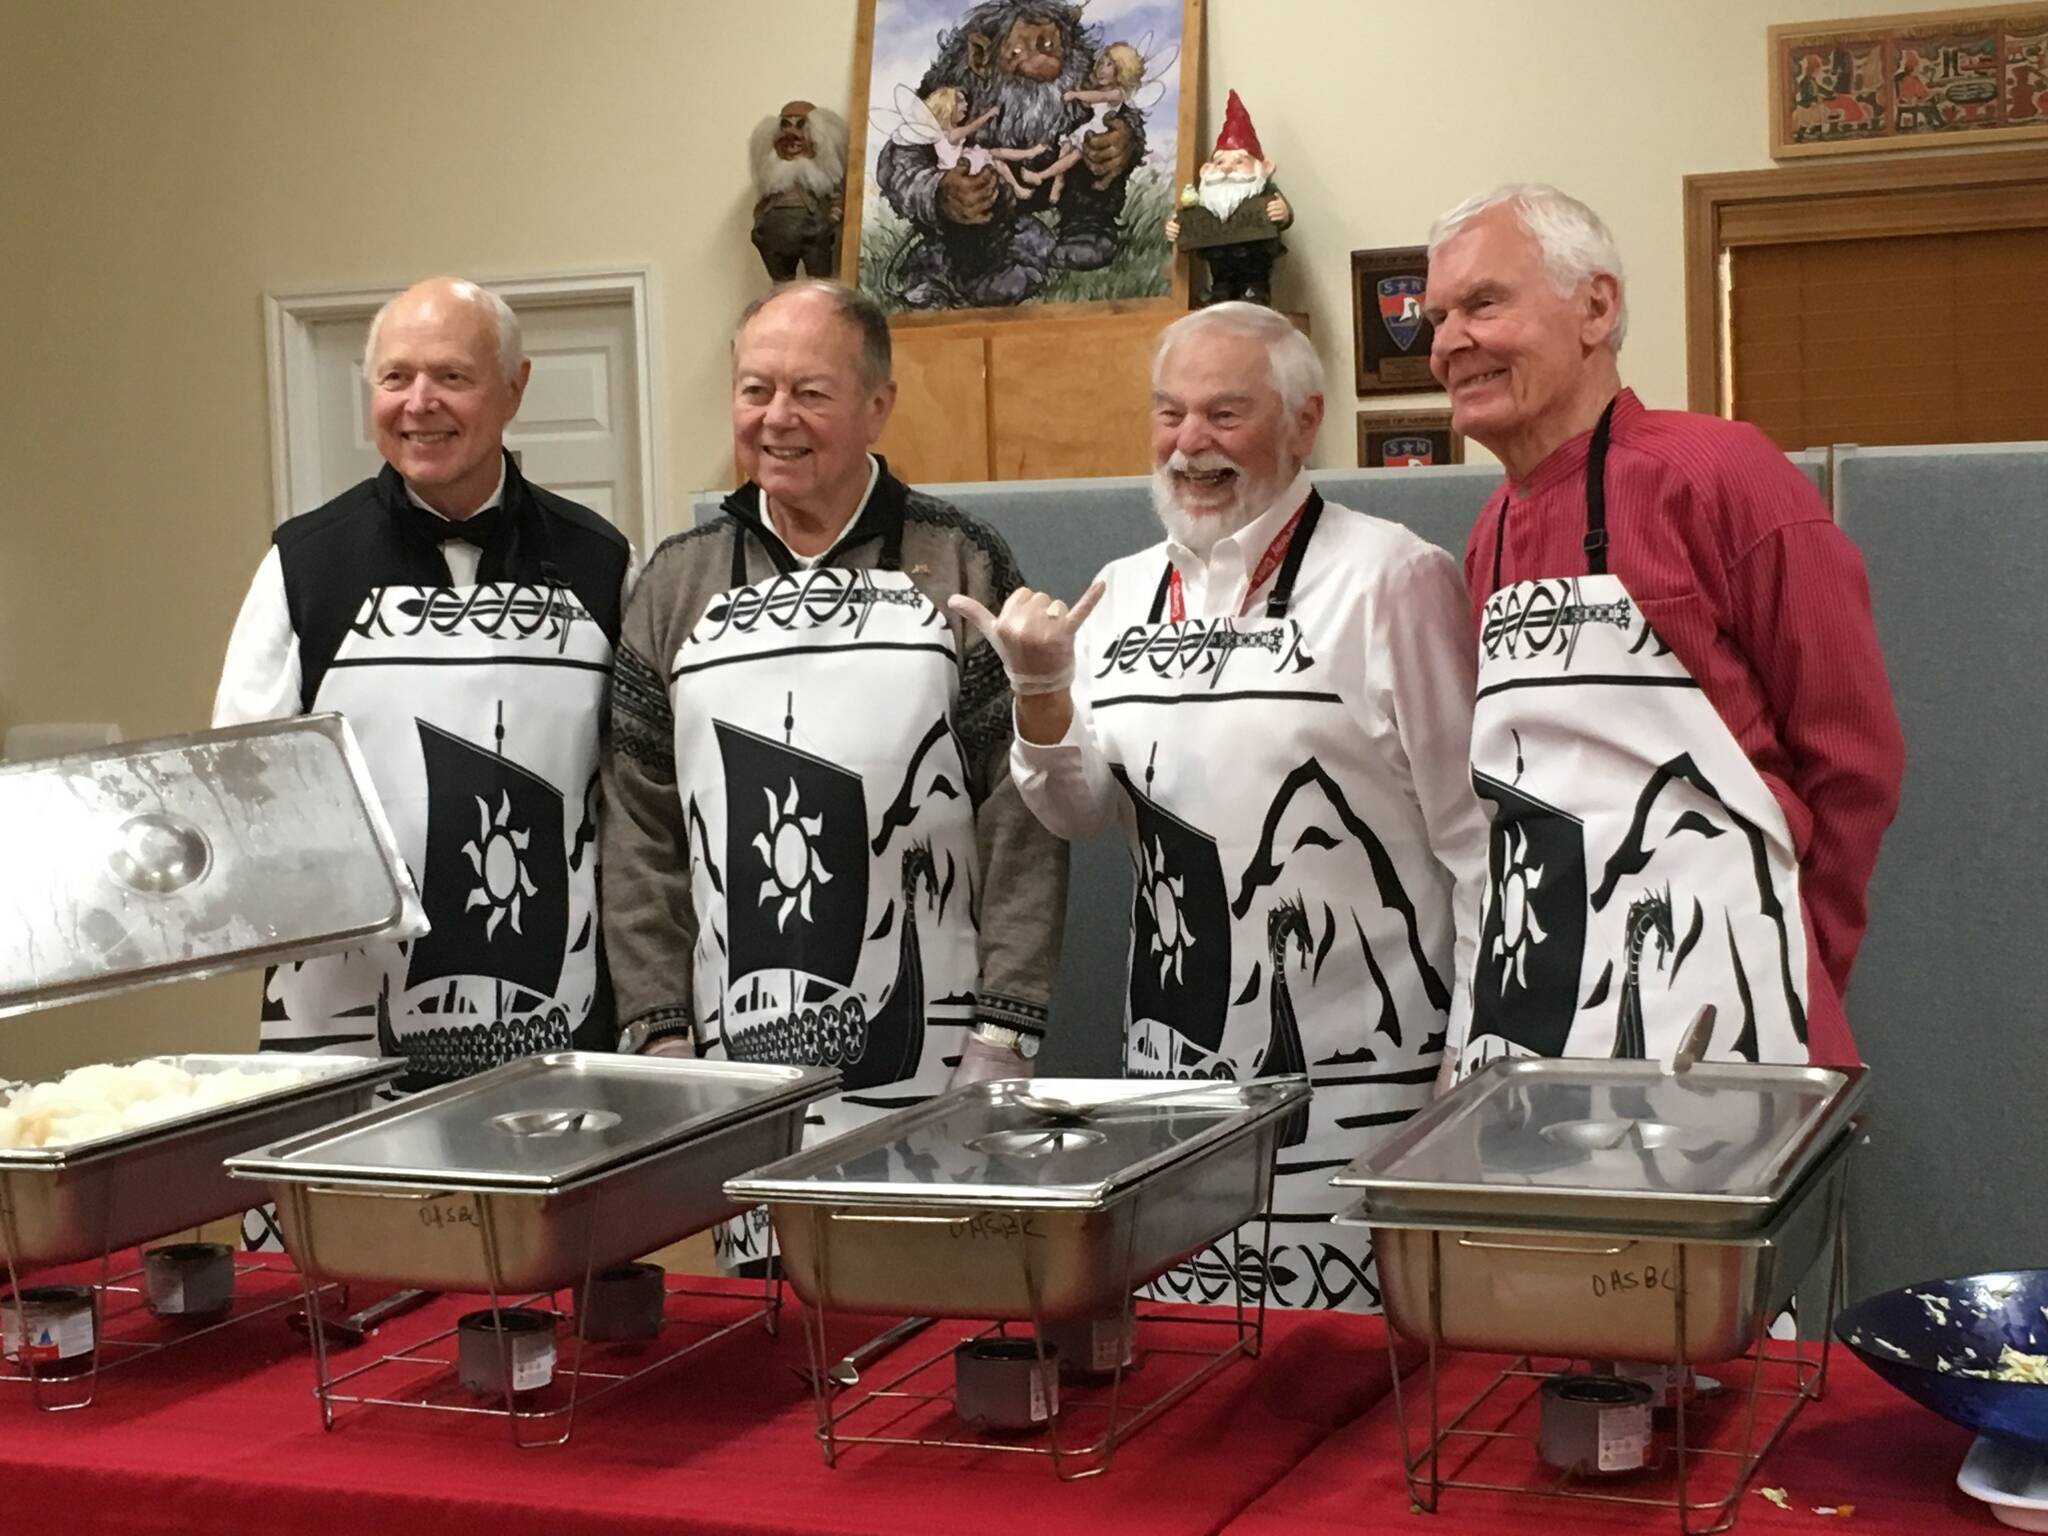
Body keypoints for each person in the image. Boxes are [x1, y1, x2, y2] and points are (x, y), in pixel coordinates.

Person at [954, 303, 1487, 1313]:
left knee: (1359, 1369)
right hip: (1176, 1083)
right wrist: (1040, 693)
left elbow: (1477, 846)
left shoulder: (1394, 578)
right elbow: (1079, 813)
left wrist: (1470, 1062)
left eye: (1224, 415)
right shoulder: (1117, 592)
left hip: (1373, 1088)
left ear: (1304, 422)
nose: (1189, 444)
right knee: (1196, 1359)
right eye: (1169, 413)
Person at [601, 280, 1068, 1269]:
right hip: (741, 1064)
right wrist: (660, 1040)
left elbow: (1020, 816)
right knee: (776, 1325)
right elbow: (639, 831)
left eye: (809, 393)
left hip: (943, 1053)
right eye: (754, 390)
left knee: (942, 1303)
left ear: (877, 405)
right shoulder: (674, 583)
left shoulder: (961, 561)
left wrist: (1005, 1032)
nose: (777, 418)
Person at [1421, 184, 1904, 1077]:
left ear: (1595, 307)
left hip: (1718, 1014)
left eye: (1483, 304)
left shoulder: (1719, 474)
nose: (1449, 342)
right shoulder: (1490, 530)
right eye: (1437, 318)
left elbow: (1852, 759)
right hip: (1540, 1019)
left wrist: (1790, 968)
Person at [214, 277, 636, 1245]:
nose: (419, 403)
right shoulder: (302, 563)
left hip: (549, 1013)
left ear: (515, 387)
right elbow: (240, 788)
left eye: (451, 376)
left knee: (549, 1279)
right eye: (394, 378)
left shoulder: (601, 561)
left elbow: (635, 797)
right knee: (340, 1280)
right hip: (345, 1023)